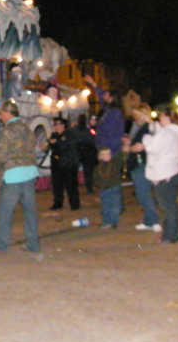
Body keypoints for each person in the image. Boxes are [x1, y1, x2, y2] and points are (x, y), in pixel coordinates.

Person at [0, 100, 40, 253]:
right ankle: (33, 244)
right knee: (30, 211)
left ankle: (1, 245)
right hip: (30, 173)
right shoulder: (27, 129)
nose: (0, 117)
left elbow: (1, 153)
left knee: (5, 212)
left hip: (13, 175)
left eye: (1, 114)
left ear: (8, 113)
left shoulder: (7, 130)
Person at [138, 107, 178, 243]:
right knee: (171, 206)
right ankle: (171, 234)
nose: (159, 118)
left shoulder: (167, 133)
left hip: (165, 174)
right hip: (173, 171)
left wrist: (146, 138)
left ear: (167, 117)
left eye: (161, 116)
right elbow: (159, 133)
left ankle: (170, 236)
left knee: (168, 207)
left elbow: (152, 147)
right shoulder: (174, 131)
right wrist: (150, 123)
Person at [83, 76, 125, 229]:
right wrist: (94, 85)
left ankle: (112, 218)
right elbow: (100, 98)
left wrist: (109, 152)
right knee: (105, 186)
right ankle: (108, 217)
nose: (104, 96)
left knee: (111, 187)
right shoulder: (108, 111)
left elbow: (115, 134)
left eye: (107, 94)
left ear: (112, 98)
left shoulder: (114, 113)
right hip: (104, 151)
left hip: (110, 153)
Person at [126, 105, 161, 232]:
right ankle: (149, 221)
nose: (136, 119)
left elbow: (140, 147)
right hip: (147, 163)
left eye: (137, 116)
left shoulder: (148, 128)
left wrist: (128, 148)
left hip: (141, 164)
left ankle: (154, 221)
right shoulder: (151, 127)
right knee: (144, 193)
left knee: (143, 194)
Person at [46, 117, 80, 211]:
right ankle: (58, 203)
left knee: (70, 185)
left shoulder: (69, 134)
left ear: (63, 125)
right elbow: (49, 146)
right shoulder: (54, 135)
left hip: (68, 164)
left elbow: (66, 146)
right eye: (55, 125)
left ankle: (74, 204)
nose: (56, 127)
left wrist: (57, 142)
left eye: (58, 125)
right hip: (57, 164)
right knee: (57, 185)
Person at [73, 114, 98, 194]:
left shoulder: (75, 129)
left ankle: (73, 187)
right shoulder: (89, 130)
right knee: (88, 171)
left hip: (78, 151)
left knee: (74, 170)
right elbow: (93, 139)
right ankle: (89, 188)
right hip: (88, 152)